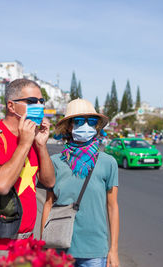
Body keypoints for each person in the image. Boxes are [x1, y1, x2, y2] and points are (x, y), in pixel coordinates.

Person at [0, 79, 55, 266]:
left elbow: (49, 182)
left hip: (26, 241)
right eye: (32, 101)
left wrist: (40, 145)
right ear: (11, 106)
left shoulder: (33, 137)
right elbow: (1, 184)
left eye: (42, 102)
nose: (39, 106)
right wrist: (25, 144)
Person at [41, 99, 120, 267]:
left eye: (91, 121)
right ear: (69, 126)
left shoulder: (108, 162)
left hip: (95, 251)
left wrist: (113, 249)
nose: (85, 126)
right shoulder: (54, 162)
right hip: (59, 247)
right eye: (78, 121)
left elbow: (112, 207)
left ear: (96, 126)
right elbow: (48, 204)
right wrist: (45, 247)